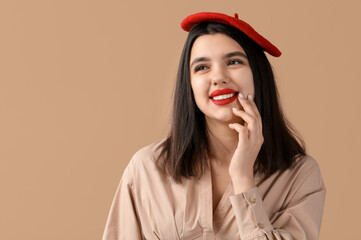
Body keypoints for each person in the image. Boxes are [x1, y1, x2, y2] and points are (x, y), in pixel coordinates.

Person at [102, 12, 326, 240]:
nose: (218, 77)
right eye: (201, 67)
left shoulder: (300, 175)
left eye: (234, 61)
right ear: (188, 84)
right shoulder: (147, 168)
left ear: (258, 74)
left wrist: (243, 178)